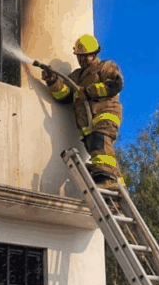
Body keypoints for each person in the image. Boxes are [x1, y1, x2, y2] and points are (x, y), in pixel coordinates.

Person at [42, 34, 125, 188]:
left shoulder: (106, 67)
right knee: (100, 150)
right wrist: (52, 81)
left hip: (106, 113)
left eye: (86, 56)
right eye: (79, 56)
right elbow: (64, 96)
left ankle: (106, 180)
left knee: (99, 141)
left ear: (94, 54)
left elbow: (115, 85)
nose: (82, 60)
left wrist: (88, 91)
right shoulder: (76, 76)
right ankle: (118, 184)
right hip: (87, 122)